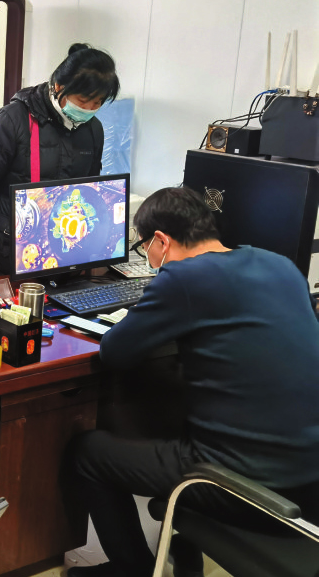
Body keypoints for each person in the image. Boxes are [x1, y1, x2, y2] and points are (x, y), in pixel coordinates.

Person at [67, 187, 319, 577]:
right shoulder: (280, 265)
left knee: (87, 453)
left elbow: (114, 352)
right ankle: (179, 547)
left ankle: (132, 569)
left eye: (144, 250)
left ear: (161, 241)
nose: (148, 260)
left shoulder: (184, 278)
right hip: (311, 483)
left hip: (253, 489)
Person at [0, 43, 120, 277]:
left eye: (97, 103)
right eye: (82, 100)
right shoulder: (13, 119)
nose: (88, 109)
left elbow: (89, 187)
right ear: (59, 86)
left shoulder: (93, 129)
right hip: (6, 252)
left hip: (60, 254)